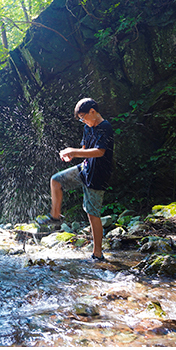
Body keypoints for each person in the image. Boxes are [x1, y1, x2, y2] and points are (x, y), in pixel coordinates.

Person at [37, 98, 114, 262]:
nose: (83, 121)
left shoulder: (105, 127)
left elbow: (100, 152)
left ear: (92, 111)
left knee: (92, 214)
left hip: (98, 175)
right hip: (84, 169)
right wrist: (72, 154)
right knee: (56, 180)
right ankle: (55, 216)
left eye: (83, 117)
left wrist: (74, 151)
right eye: (81, 119)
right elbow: (85, 150)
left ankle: (98, 254)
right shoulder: (88, 127)